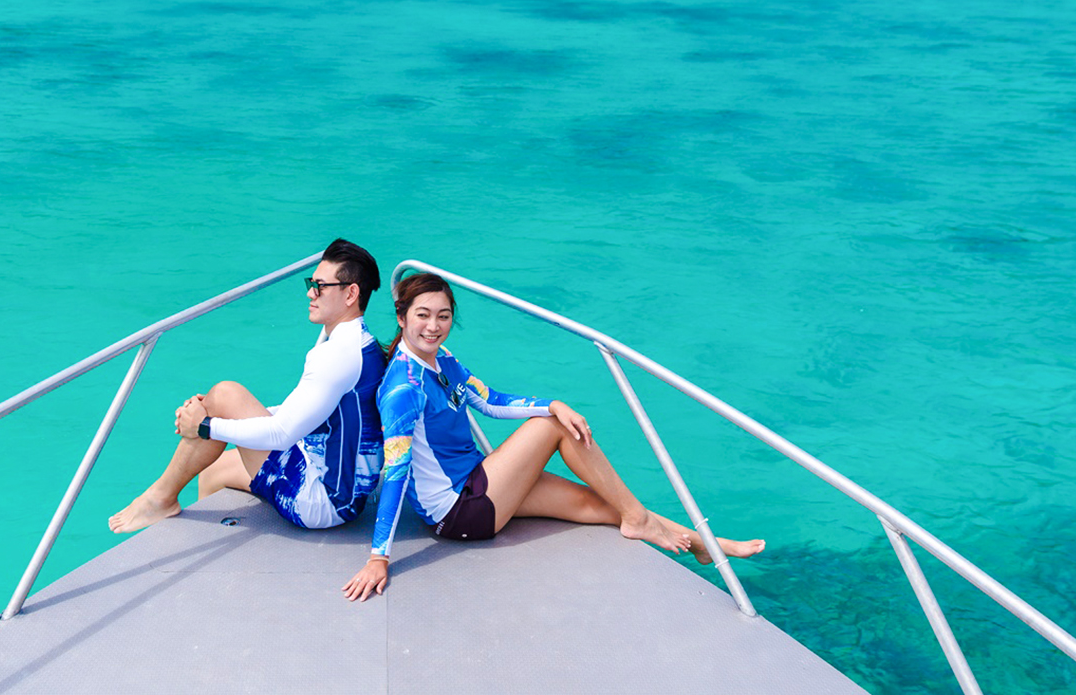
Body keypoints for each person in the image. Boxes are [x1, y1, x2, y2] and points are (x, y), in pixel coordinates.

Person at [343, 272, 765, 600]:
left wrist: (552, 401)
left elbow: (490, 401)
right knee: (551, 430)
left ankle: (705, 545)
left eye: (444, 316)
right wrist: (379, 557)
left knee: (597, 502)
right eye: (422, 315)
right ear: (401, 317)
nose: (434, 326)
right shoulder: (403, 389)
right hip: (457, 511)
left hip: (479, 483)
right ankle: (639, 521)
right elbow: (396, 472)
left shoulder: (442, 359)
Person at [108, 238, 385, 533]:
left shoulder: (336, 355)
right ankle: (203, 554)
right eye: (310, 283)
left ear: (350, 294)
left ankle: (159, 498)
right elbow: (306, 411)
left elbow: (280, 435)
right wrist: (218, 417)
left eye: (319, 286)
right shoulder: (359, 344)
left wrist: (207, 425)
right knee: (212, 471)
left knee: (226, 393)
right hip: (343, 489)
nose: (309, 293)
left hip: (321, 500)